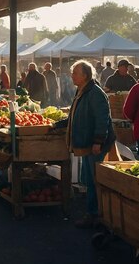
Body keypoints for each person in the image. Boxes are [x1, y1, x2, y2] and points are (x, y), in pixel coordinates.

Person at [56, 60, 115, 228]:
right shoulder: (82, 91)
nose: (72, 76)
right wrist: (57, 124)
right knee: (88, 179)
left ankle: (96, 215)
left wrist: (98, 141)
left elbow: (102, 119)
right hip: (87, 142)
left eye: (75, 73)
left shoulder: (95, 93)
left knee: (94, 180)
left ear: (85, 76)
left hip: (94, 144)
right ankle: (93, 212)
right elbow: (75, 116)